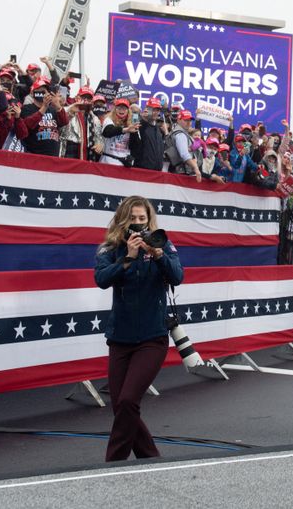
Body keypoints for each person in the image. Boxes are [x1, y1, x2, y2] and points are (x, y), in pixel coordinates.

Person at [94, 196, 183, 461]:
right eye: (132, 219)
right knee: (120, 406)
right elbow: (101, 279)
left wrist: (157, 255)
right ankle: (151, 459)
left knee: (128, 401)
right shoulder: (110, 248)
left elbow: (178, 276)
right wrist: (129, 258)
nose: (137, 225)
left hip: (152, 337)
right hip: (120, 337)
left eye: (142, 219)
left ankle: (113, 463)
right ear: (123, 219)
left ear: (149, 220)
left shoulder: (162, 244)